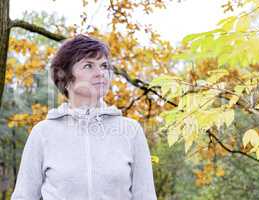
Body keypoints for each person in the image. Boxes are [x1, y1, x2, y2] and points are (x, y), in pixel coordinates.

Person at [11, 34, 157, 200]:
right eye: (88, 66)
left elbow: (146, 196)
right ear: (64, 78)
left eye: (104, 66)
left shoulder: (131, 131)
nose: (100, 73)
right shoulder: (43, 133)